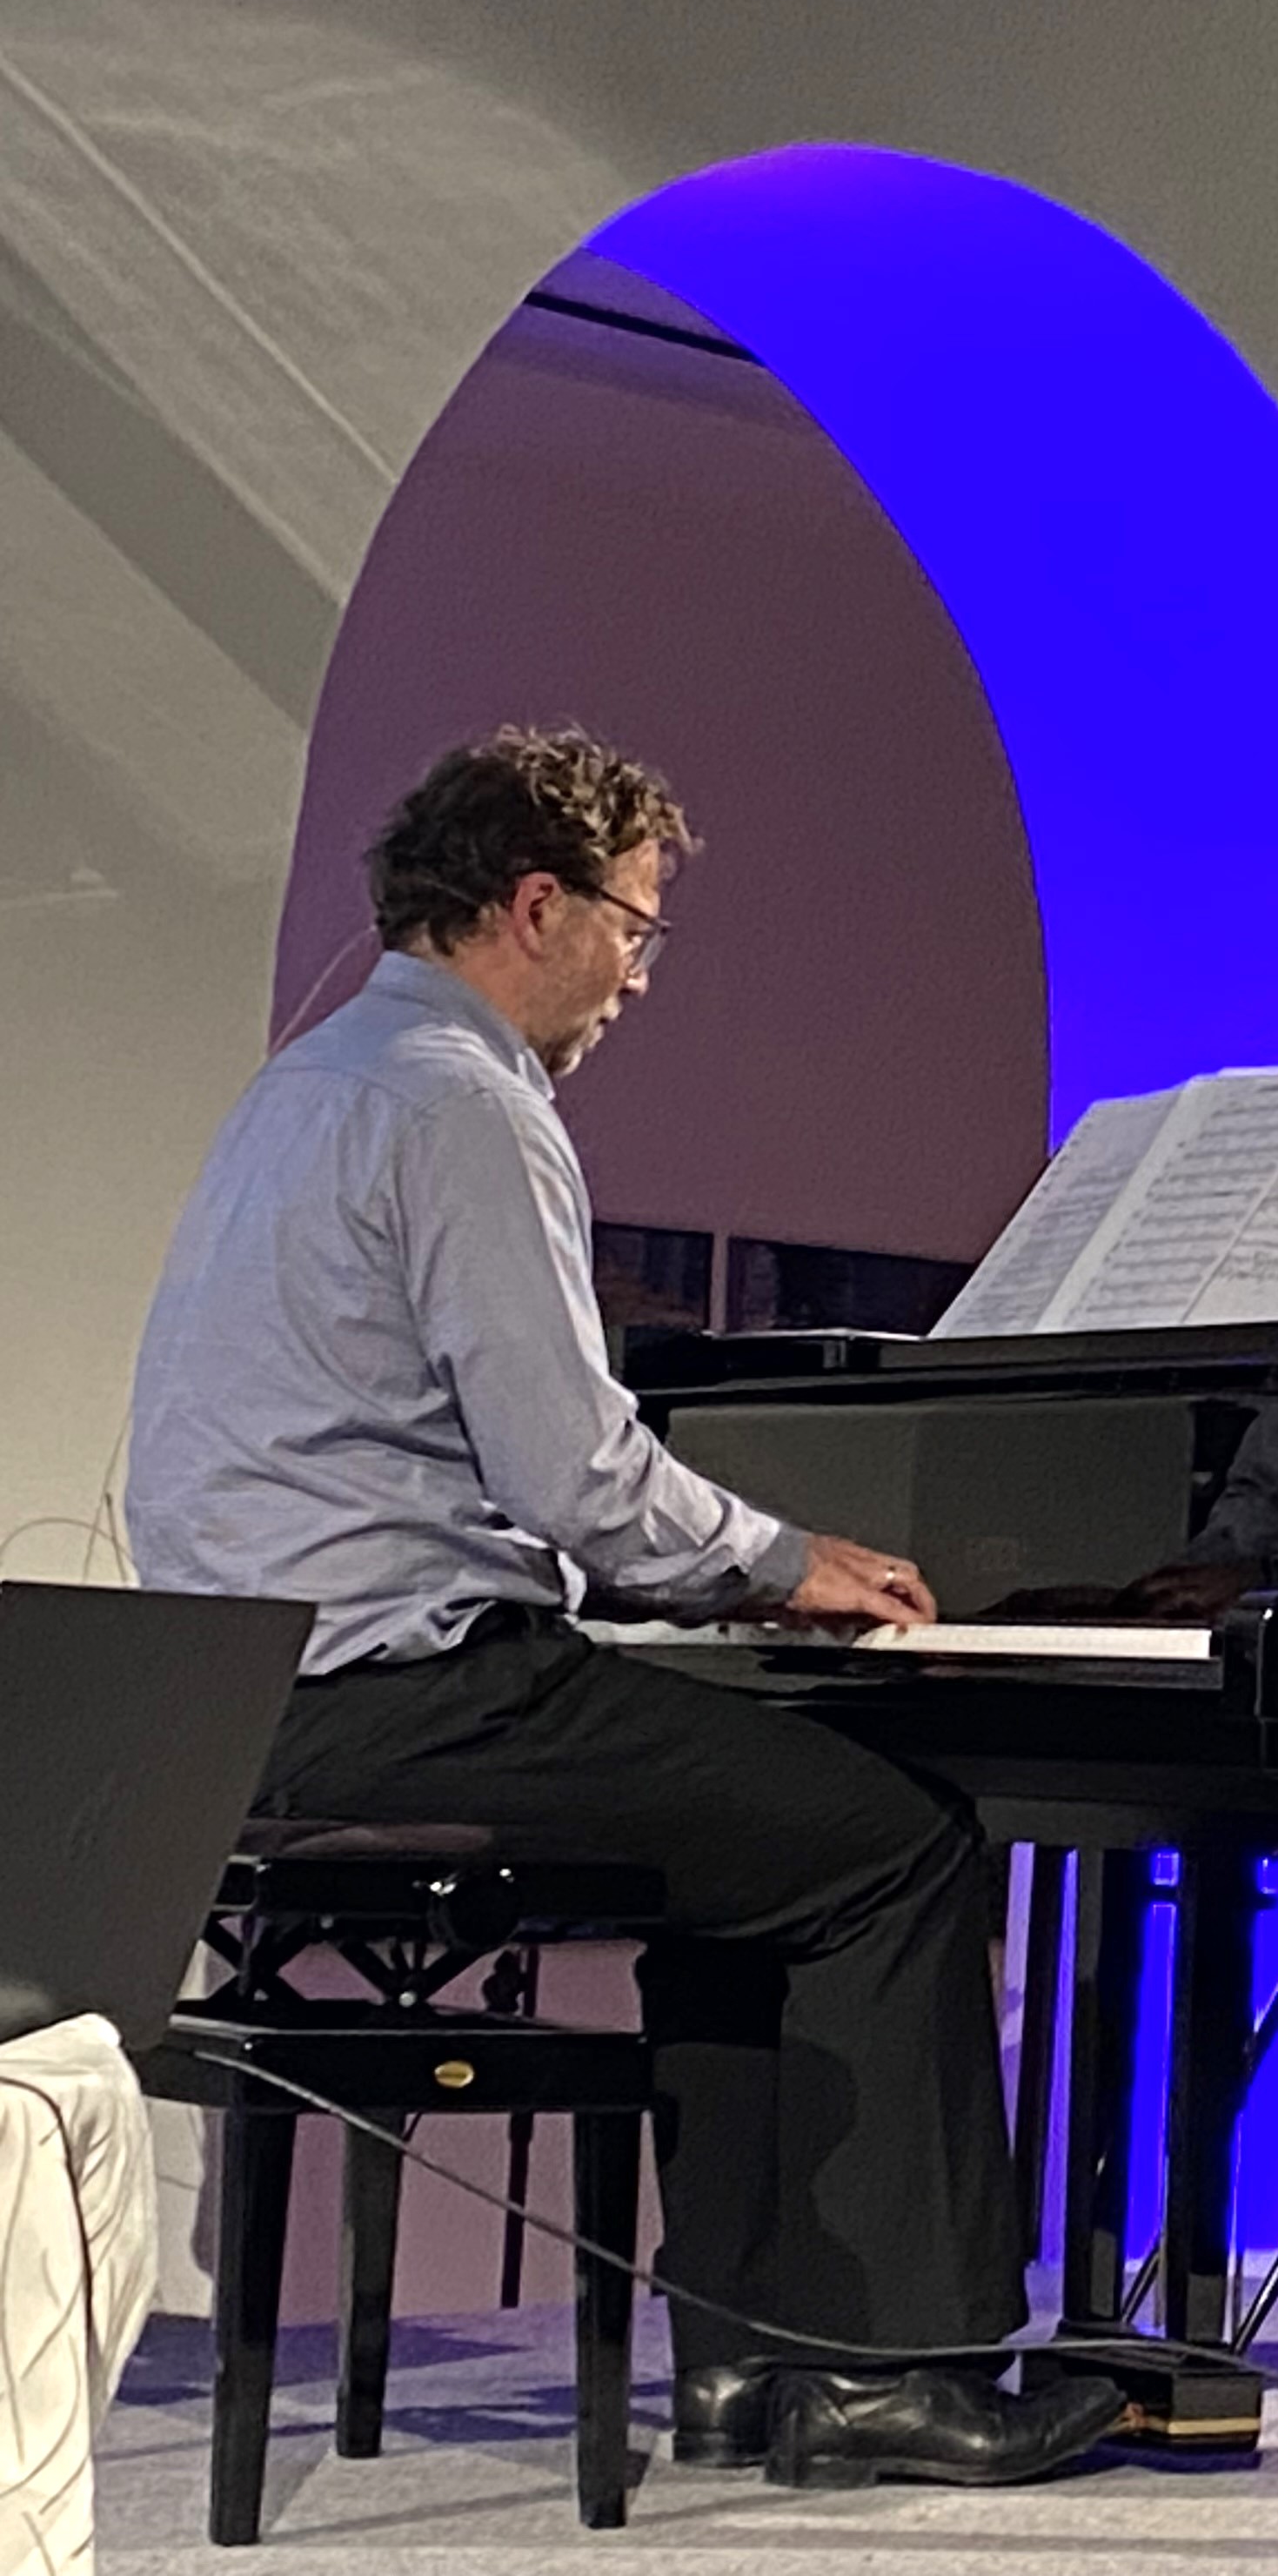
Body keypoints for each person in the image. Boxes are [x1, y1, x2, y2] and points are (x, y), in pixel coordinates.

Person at [125, 729, 1123, 2490]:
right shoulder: (465, 1098)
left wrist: (682, 1575)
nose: (641, 978)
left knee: (746, 1844)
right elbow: (574, 1470)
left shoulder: (309, 1083)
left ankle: (743, 2371)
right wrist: (784, 1560)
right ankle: (895, 2369)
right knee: (892, 1844)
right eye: (637, 930)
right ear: (537, 904)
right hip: (402, 1695)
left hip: (241, 1697)